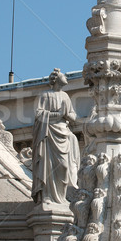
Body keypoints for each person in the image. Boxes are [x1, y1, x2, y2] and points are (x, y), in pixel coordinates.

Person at [31, 68, 80, 206]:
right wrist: (56, 115)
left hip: (62, 133)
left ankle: (61, 196)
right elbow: (39, 114)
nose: (67, 77)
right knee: (48, 166)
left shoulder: (65, 96)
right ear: (57, 79)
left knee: (64, 166)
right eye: (64, 76)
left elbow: (73, 115)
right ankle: (47, 196)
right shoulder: (45, 95)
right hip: (48, 132)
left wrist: (65, 115)